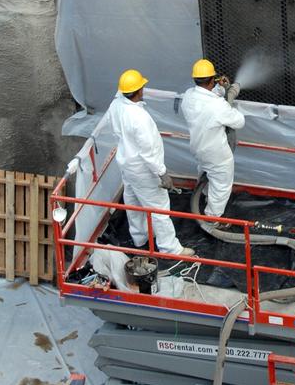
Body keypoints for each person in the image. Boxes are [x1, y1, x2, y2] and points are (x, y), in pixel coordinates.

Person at [105, 69, 191, 257]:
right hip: (143, 170)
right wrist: (162, 173)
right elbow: (148, 151)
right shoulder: (139, 118)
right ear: (138, 91)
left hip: (126, 165)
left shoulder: (116, 106)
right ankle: (171, 248)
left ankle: (139, 238)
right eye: (142, 87)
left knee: (133, 201)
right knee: (159, 209)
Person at [180, 58, 245, 219]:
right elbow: (239, 121)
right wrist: (229, 94)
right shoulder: (217, 106)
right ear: (211, 80)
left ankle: (205, 193)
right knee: (222, 184)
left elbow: (207, 97)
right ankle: (212, 218)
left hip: (198, 148)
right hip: (217, 153)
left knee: (206, 171)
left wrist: (221, 89)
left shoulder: (188, 96)